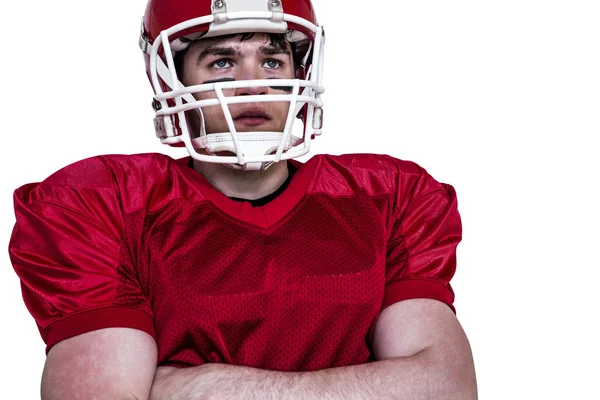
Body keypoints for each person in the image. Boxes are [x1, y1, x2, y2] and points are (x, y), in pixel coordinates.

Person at [8, 0, 477, 398]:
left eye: (272, 62)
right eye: (222, 62)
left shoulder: (390, 195)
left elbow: (446, 387)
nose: (254, 83)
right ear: (173, 78)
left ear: (300, 70)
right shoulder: (100, 203)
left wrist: (205, 385)